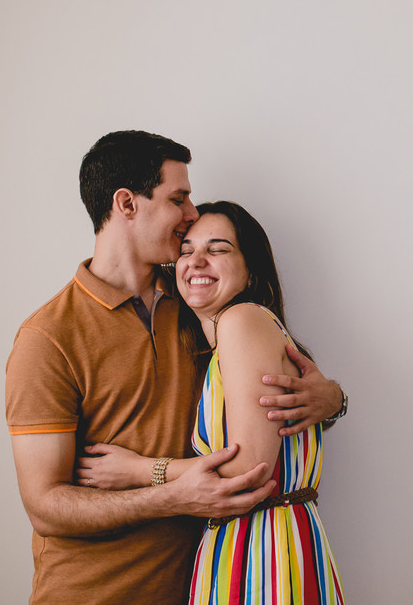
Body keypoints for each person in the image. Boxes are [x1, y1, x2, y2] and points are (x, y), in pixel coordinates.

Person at [6, 131, 345, 605]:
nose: (190, 215)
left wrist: (333, 399)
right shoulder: (47, 338)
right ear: (127, 203)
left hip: (216, 579)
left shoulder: (199, 305)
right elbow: (46, 506)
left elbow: (259, 409)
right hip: (94, 593)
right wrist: (170, 493)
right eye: (178, 197)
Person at [77, 202, 345, 604]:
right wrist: (337, 399)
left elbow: (246, 472)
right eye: (186, 250)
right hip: (258, 547)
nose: (196, 261)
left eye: (218, 249)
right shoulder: (230, 337)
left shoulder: (242, 321)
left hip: (263, 556)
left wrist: (136, 470)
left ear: (251, 269)